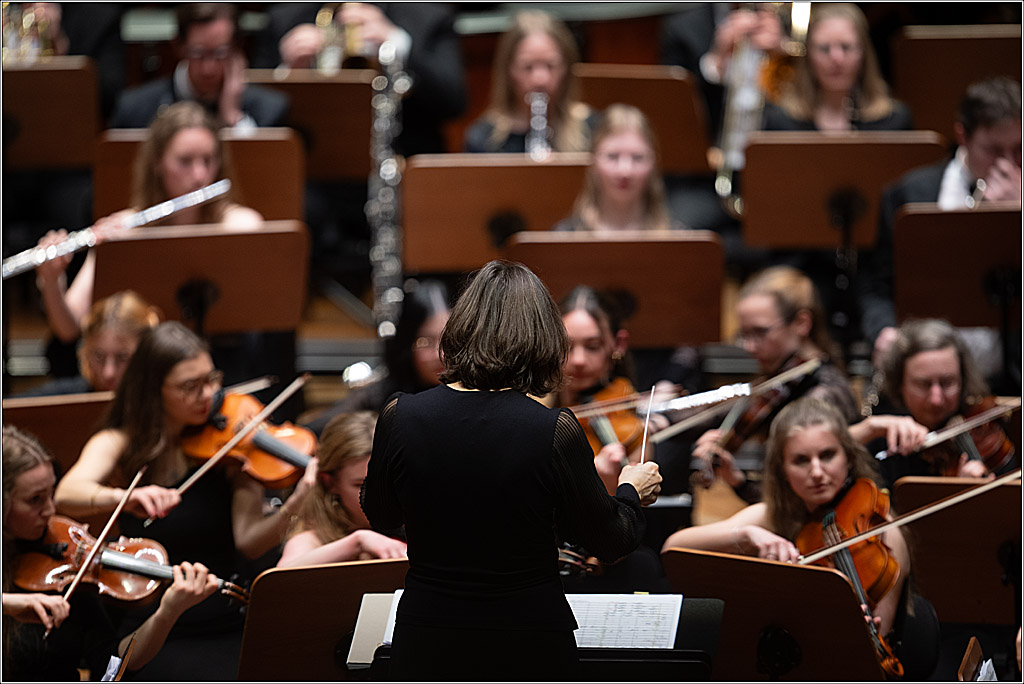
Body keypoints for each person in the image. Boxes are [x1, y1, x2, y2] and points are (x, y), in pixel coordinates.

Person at [361, 260, 662, 680]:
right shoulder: (553, 430)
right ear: (543, 339)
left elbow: (381, 514)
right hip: (527, 640)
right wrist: (630, 491)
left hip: (428, 635)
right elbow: (610, 541)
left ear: (461, 330)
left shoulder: (400, 415)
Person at [52, 321, 317, 679]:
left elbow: (250, 542)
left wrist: (297, 502)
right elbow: (67, 493)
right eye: (190, 387)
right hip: (156, 623)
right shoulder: (120, 441)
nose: (208, 394)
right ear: (153, 389)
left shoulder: (231, 445)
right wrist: (125, 497)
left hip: (226, 614)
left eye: (211, 379)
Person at [661, 398, 936, 679]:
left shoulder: (882, 530)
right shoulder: (773, 516)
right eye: (801, 460)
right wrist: (745, 535)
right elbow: (675, 547)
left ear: (848, 457)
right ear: (782, 469)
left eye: (827, 455)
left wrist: (855, 631)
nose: (816, 472)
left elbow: (872, 659)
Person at [35, 100, 262, 347]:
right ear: (157, 162)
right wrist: (51, 281)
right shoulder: (123, 228)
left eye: (208, 160)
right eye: (185, 161)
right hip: (146, 361)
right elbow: (68, 328)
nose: (199, 175)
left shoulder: (241, 225)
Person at [2, 425, 219, 681]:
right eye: (35, 500)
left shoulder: (68, 565)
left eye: (51, 494)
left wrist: (167, 613)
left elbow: (111, 662)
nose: (50, 509)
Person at [858, 77, 1021, 371]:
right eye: (994, 151)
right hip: (928, 376)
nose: (1008, 165)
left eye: (1019, 149)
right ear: (962, 136)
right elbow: (877, 287)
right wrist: (883, 330)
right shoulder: (908, 194)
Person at [688, 266, 858, 503]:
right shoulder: (780, 382)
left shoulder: (823, 394)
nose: (749, 347)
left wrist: (741, 483)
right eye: (744, 334)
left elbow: (798, 505)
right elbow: (716, 414)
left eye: (760, 332)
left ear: (801, 323)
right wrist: (658, 417)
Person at [252, 2, 466, 157]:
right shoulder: (284, 18)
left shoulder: (429, 16)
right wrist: (288, 70)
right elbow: (252, 117)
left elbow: (453, 102)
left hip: (402, 161)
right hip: (315, 172)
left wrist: (397, 43)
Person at [868, 318, 1014, 488]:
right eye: (923, 384)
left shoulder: (989, 430)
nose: (936, 400)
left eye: (947, 383)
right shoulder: (883, 440)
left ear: (963, 379)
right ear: (900, 383)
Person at [303, 279, 450, 436]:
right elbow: (321, 427)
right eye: (426, 342)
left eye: (448, 341)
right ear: (406, 343)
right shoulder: (384, 395)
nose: (440, 355)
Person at [108, 3, 288, 130]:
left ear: (236, 48)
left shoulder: (269, 110)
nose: (208, 68)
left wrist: (233, 117)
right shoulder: (134, 110)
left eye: (220, 53)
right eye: (197, 53)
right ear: (178, 46)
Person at [278, 411, 406, 567]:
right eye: (361, 485)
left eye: (389, 482)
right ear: (330, 483)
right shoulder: (313, 539)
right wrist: (357, 542)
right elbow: (281, 576)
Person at [763, 3, 912, 132]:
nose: (837, 59)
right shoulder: (780, 122)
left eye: (846, 47)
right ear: (808, 57)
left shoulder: (894, 121)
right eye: (824, 48)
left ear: (864, 54)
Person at [464, 10, 596, 155]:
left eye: (550, 65)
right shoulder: (483, 138)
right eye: (527, 67)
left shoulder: (593, 128)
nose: (540, 79)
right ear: (509, 70)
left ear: (566, 67)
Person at [555, 104, 680, 233]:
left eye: (637, 158)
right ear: (593, 162)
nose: (625, 171)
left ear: (653, 163)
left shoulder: (680, 237)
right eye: (613, 156)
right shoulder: (564, 236)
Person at [18, 290, 160, 397]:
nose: (108, 373)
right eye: (99, 356)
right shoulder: (64, 398)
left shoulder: (164, 405)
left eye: (123, 357)